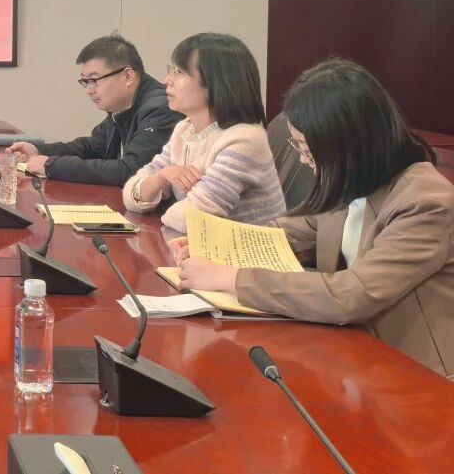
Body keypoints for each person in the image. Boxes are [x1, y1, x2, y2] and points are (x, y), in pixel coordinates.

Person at [172, 60, 454, 377]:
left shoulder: (426, 203)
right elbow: (284, 234)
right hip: (351, 351)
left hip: (417, 376)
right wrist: (214, 247)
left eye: (307, 149)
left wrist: (231, 278)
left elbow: (352, 294)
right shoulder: (351, 181)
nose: (305, 161)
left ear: (347, 144)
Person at [121, 33, 285, 232]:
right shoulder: (185, 129)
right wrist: (162, 176)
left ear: (215, 83)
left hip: (250, 250)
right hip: (206, 246)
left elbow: (193, 218)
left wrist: (164, 207)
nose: (166, 80)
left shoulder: (245, 140)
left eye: (179, 72)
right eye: (171, 70)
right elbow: (131, 195)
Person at [8, 34, 181, 185]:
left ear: (128, 76)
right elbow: (92, 147)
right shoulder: (122, 105)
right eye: (85, 82)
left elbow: (132, 170)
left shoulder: (161, 108)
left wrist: (51, 165)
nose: (89, 90)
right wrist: (41, 151)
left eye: (94, 80)